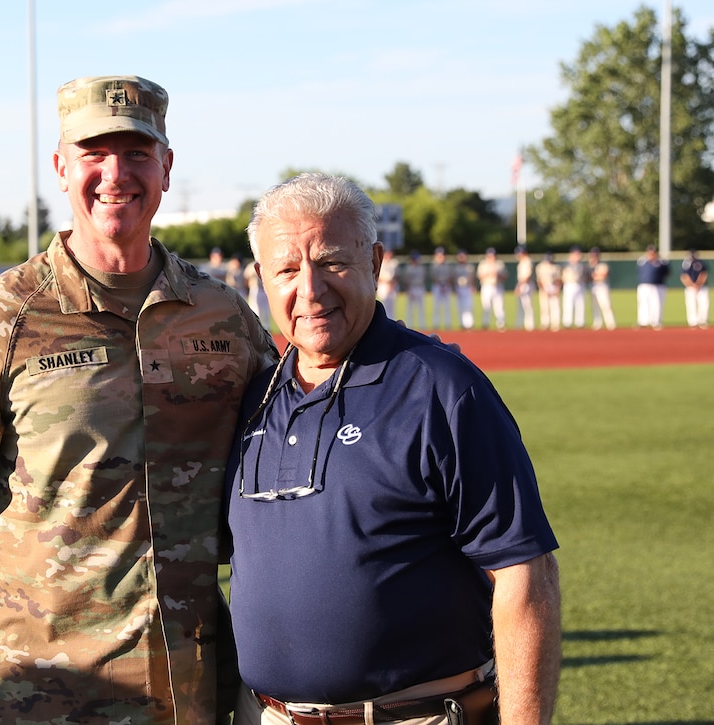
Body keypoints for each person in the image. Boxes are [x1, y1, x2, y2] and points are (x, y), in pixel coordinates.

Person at [0, 74, 278, 725]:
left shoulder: (223, 320)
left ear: (167, 168)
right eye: (94, 153)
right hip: (43, 696)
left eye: (137, 153)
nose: (115, 173)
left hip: (193, 692)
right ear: (62, 168)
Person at [225, 173, 561, 725]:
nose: (309, 289)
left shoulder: (442, 388)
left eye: (331, 262)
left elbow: (525, 574)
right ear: (259, 278)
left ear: (374, 263)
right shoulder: (255, 395)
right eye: (286, 269)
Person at [637, 245, 670, 329]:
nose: (651, 254)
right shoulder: (642, 261)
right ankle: (643, 322)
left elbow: (667, 273)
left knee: (657, 304)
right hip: (644, 285)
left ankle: (656, 322)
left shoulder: (662, 262)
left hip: (657, 285)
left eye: (653, 252)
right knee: (643, 303)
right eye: (650, 252)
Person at [476, 247, 507, 330]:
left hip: (497, 286)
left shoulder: (499, 264)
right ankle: (485, 323)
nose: (491, 257)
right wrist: (489, 273)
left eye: (493, 255)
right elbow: (480, 276)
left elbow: (505, 276)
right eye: (490, 255)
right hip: (487, 286)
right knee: (486, 306)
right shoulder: (483, 264)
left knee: (499, 306)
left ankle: (501, 323)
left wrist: (498, 274)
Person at [588, 247, 616, 330]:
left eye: (595, 255)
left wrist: (595, 276)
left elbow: (603, 275)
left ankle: (610, 323)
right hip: (593, 287)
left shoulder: (602, 265)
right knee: (595, 306)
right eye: (592, 255)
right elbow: (589, 277)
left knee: (606, 305)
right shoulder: (590, 266)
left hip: (602, 286)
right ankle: (597, 323)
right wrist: (595, 276)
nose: (594, 257)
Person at [560, 245, 588, 329]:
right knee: (568, 304)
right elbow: (561, 275)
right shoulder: (566, 264)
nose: (578, 255)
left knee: (580, 304)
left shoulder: (582, 265)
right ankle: (567, 322)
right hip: (569, 284)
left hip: (580, 284)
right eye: (576, 254)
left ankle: (580, 322)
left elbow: (586, 275)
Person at [680, 248, 709, 329]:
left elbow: (704, 274)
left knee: (704, 303)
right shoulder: (685, 263)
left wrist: (699, 283)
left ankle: (702, 321)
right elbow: (684, 276)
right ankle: (693, 322)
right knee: (691, 304)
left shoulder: (701, 262)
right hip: (690, 287)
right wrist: (692, 285)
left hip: (701, 286)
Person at [429, 246, 454, 330]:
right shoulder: (434, 265)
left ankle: (448, 324)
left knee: (447, 306)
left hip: (446, 286)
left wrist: (445, 284)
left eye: (442, 255)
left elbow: (451, 276)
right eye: (438, 255)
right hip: (437, 286)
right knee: (436, 306)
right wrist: (440, 283)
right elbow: (433, 277)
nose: (440, 257)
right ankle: (436, 324)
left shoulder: (448, 265)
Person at [536, 252, 562, 331]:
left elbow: (559, 279)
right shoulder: (540, 267)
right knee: (544, 307)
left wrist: (557, 289)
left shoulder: (556, 267)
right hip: (544, 287)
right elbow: (539, 280)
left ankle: (555, 324)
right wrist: (543, 289)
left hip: (553, 287)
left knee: (555, 306)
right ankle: (545, 323)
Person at [402, 250, 427, 330]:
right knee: (410, 308)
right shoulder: (409, 268)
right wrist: (408, 289)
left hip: (420, 287)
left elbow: (424, 278)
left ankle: (422, 324)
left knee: (421, 307)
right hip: (412, 287)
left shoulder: (421, 268)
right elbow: (406, 280)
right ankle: (409, 324)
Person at [453, 249, 476, 330]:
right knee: (460, 306)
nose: (462, 258)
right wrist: (454, 288)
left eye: (463, 256)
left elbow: (472, 277)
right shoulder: (456, 267)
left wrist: (473, 286)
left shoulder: (469, 266)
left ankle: (469, 324)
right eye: (460, 256)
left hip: (467, 287)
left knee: (468, 306)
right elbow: (454, 278)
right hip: (459, 288)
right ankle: (462, 323)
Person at [514, 244, 535, 331]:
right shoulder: (522, 262)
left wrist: (519, 286)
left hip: (526, 284)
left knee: (527, 305)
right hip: (522, 284)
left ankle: (530, 325)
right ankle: (519, 323)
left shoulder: (527, 261)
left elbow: (527, 276)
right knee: (521, 305)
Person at [376, 247, 399, 319]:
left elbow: (396, 276)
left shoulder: (394, 263)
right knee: (383, 305)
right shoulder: (380, 263)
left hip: (392, 285)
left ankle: (392, 320)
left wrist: (391, 284)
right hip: (383, 285)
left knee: (391, 306)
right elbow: (377, 276)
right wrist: (386, 282)